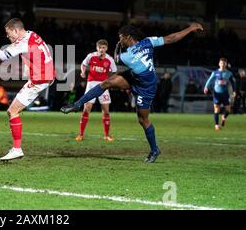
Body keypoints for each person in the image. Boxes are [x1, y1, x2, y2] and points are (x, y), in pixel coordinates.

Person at [61, 22, 204, 163]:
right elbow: (170, 38)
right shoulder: (148, 42)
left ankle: (155, 150)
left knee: (143, 120)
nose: (119, 40)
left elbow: (118, 58)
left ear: (128, 37)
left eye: (120, 37)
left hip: (146, 86)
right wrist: (190, 28)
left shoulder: (127, 56)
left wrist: (117, 49)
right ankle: (77, 104)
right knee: (106, 83)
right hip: (134, 76)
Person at [0, 18, 55, 161]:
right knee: (16, 111)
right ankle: (16, 147)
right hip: (45, 75)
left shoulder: (22, 42)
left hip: (40, 79)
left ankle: (17, 149)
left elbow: (4, 55)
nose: (8, 37)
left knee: (12, 111)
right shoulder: (32, 34)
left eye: (9, 34)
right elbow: (14, 53)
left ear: (16, 30)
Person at [76, 39, 117, 142]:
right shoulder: (91, 56)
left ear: (106, 48)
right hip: (91, 84)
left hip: (103, 85)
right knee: (86, 109)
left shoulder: (110, 59)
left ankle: (107, 135)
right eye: (100, 48)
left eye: (103, 48)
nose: (102, 49)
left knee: (106, 111)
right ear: (97, 48)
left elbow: (115, 71)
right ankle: (81, 134)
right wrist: (83, 72)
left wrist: (110, 81)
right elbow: (83, 64)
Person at [204, 58, 236, 131]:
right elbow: (209, 80)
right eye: (221, 63)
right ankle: (216, 125)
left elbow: (233, 83)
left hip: (225, 94)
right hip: (217, 94)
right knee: (216, 109)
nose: (222, 65)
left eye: (224, 63)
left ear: (226, 64)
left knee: (228, 110)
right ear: (219, 64)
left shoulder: (229, 73)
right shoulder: (215, 72)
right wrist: (206, 87)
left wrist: (234, 91)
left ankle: (223, 117)